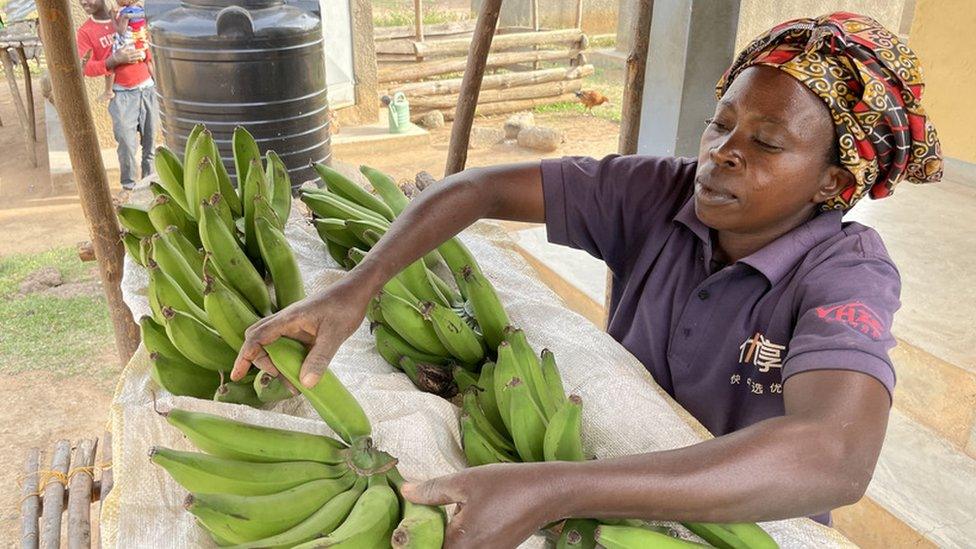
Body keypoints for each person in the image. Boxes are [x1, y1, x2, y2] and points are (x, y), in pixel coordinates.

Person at [232, 12, 942, 548]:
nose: (723, 154)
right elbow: (476, 190)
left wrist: (555, 486)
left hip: (736, 521)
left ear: (836, 180)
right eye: (720, 124)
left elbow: (834, 457)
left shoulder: (846, 273)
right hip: (605, 471)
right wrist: (357, 286)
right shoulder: (656, 195)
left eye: (767, 143)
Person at [77, 0, 158, 191]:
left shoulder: (129, 14)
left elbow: (147, 44)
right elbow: (83, 68)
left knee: (151, 145)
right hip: (121, 96)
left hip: (147, 89)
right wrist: (112, 61)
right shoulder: (86, 32)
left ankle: (152, 186)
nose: (83, 1)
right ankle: (129, 188)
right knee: (127, 147)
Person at [99, 0, 150, 102]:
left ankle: (108, 91)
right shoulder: (141, 9)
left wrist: (113, 18)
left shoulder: (126, 14)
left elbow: (121, 31)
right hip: (140, 43)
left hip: (129, 45)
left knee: (110, 62)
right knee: (150, 61)